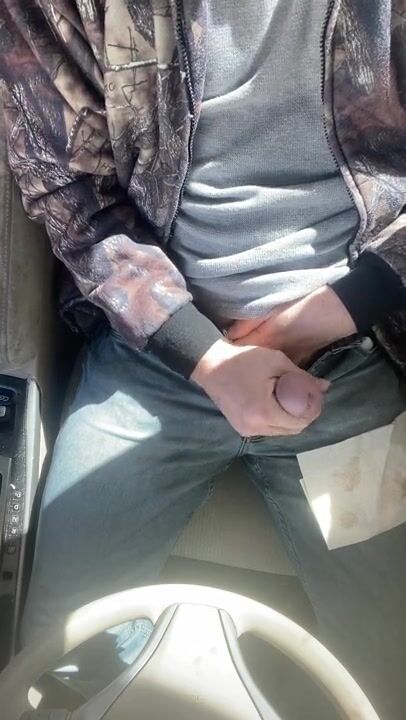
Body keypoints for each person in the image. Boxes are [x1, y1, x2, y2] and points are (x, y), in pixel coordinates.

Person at [0, 1, 406, 717]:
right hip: (154, 358)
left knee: (389, 674)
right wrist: (206, 357)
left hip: (348, 358)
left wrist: (317, 322)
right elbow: (67, 189)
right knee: (58, 669)